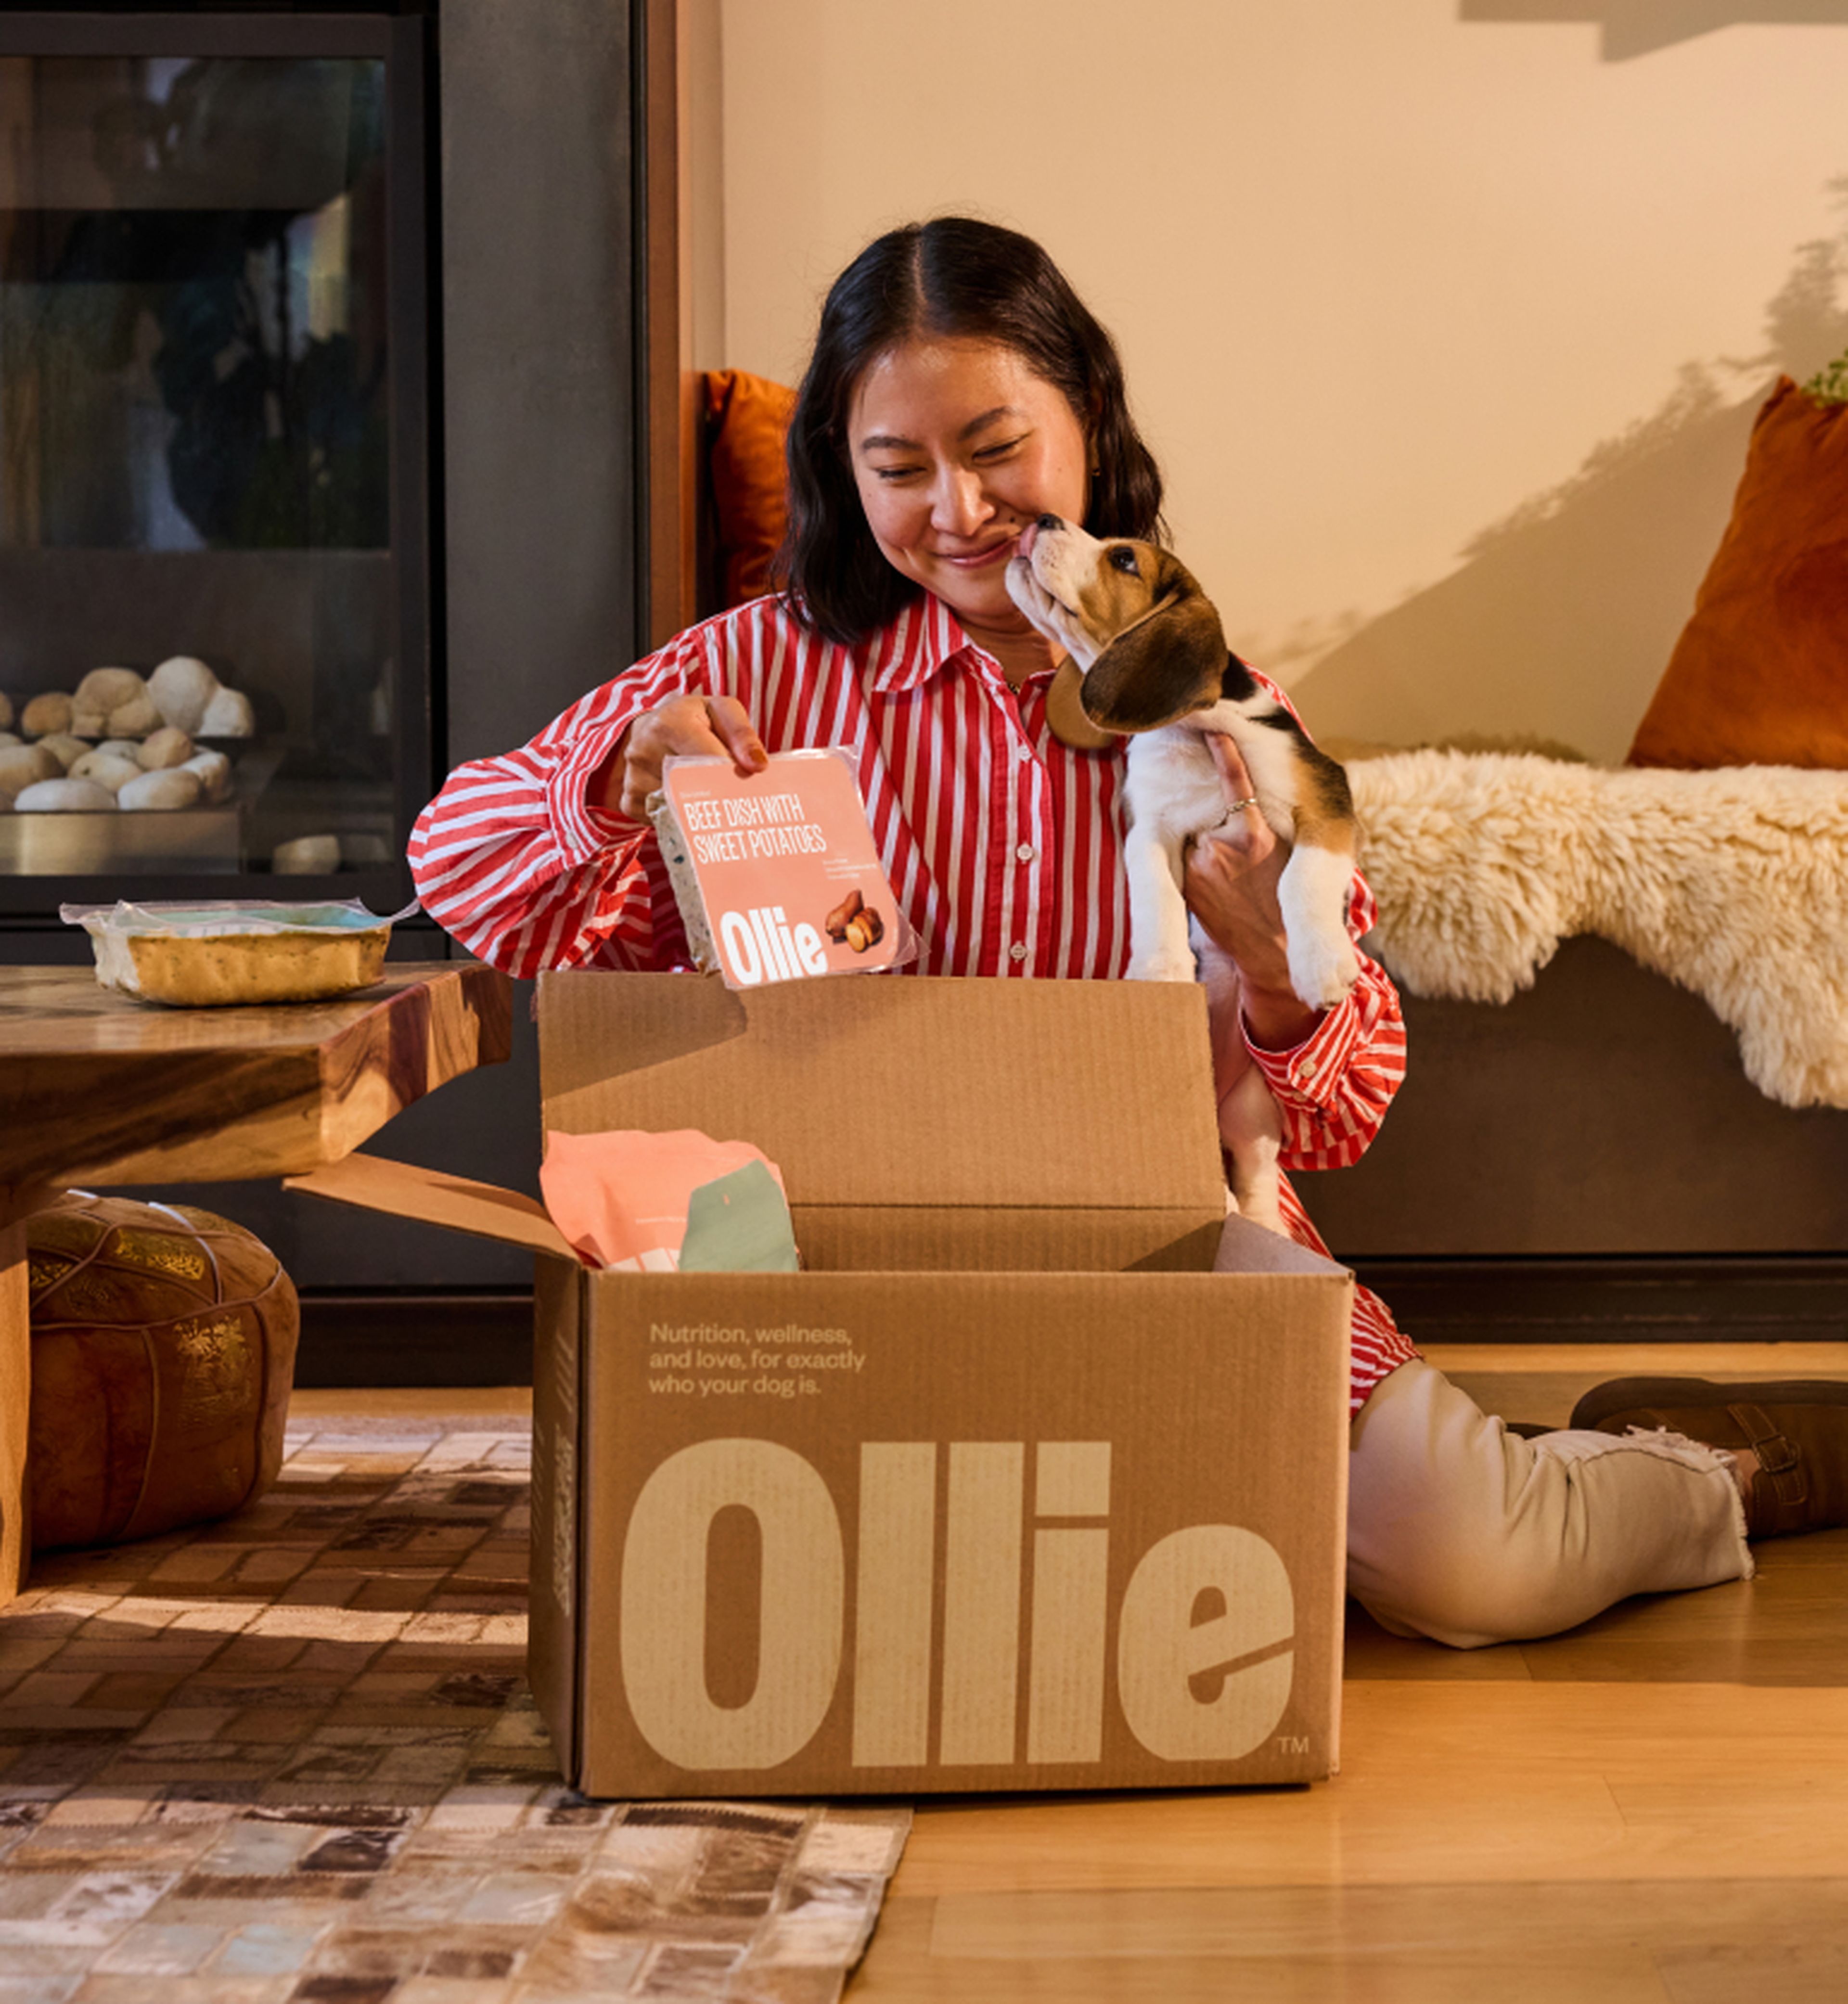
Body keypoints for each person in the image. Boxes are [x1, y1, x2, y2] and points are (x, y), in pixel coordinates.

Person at [411, 216, 1848, 1648]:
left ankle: (1703, 1466)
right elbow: (461, 878)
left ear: (1087, 421)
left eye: (996, 448)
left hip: (1162, 1236)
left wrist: (1279, 972)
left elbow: (1343, 1113)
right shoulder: (744, 671)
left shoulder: (1214, 703)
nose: (960, 511)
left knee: (1477, 1565)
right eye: (897, 469)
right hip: (827, 1260)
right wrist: (608, 782)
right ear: (842, 478)